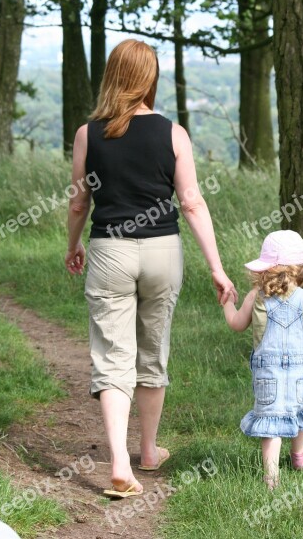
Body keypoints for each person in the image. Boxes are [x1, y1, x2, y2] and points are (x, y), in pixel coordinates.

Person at [65, 39, 237, 497]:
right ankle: (147, 450)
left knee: (112, 357)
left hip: (110, 251)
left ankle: (120, 462)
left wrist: (72, 244)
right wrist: (217, 268)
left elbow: (80, 201)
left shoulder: (88, 134)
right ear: (149, 78)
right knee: (151, 351)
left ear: (112, 75)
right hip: (163, 249)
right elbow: (193, 203)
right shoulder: (172, 132)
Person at [222, 230, 303, 489]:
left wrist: (227, 302)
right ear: (299, 269)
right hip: (301, 375)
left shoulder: (256, 296)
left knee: (271, 425)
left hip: (267, 376)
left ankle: (271, 477)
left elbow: (237, 324)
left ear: (265, 268)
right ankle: (298, 457)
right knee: (300, 412)